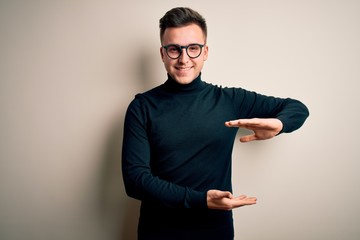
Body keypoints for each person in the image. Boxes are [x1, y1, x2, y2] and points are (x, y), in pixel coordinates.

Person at [122, 7, 309, 240]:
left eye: (193, 48)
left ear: (205, 52)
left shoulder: (229, 100)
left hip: (214, 231)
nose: (184, 59)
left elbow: (298, 108)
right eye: (174, 49)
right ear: (162, 53)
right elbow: (135, 181)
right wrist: (201, 200)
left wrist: (279, 125)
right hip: (159, 231)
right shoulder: (142, 107)